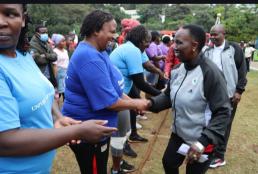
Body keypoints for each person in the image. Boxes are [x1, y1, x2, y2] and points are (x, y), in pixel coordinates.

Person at [0, 4, 118, 174]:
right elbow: (5, 141)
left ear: (23, 19)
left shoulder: (22, 55)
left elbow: (44, 94)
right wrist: (76, 131)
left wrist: (59, 117)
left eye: (10, 14)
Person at [62, 10, 149, 174]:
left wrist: (130, 101)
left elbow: (112, 89)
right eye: (111, 30)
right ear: (96, 30)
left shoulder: (99, 52)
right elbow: (109, 102)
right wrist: (137, 102)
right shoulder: (89, 57)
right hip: (87, 132)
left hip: (98, 130)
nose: (115, 36)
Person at [147, 24, 231, 174]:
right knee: (169, 163)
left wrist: (202, 143)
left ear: (194, 45)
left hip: (202, 139)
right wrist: (149, 103)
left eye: (179, 42)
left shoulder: (210, 73)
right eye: (174, 42)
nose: (174, 46)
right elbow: (168, 97)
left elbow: (223, 112)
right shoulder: (178, 70)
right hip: (179, 134)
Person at [110, 25, 162, 173]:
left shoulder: (132, 48)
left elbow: (136, 82)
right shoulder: (132, 50)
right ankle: (116, 168)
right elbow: (140, 82)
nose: (149, 44)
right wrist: (162, 96)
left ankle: (119, 161)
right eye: (147, 40)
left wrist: (135, 101)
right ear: (140, 40)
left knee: (124, 130)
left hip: (122, 94)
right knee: (119, 134)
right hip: (116, 98)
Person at [204, 24, 247, 168]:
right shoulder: (208, 50)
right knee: (209, 122)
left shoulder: (234, 49)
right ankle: (208, 150)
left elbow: (242, 71)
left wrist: (239, 91)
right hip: (210, 95)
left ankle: (219, 156)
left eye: (216, 34)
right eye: (211, 34)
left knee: (224, 126)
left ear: (224, 34)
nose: (213, 37)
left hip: (228, 96)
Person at [52, 34, 69, 104]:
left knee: (66, 93)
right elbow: (54, 65)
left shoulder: (65, 51)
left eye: (64, 41)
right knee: (58, 93)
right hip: (59, 73)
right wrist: (55, 78)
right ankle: (57, 111)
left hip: (66, 73)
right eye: (62, 41)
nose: (64, 42)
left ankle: (66, 108)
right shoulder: (54, 51)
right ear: (58, 43)